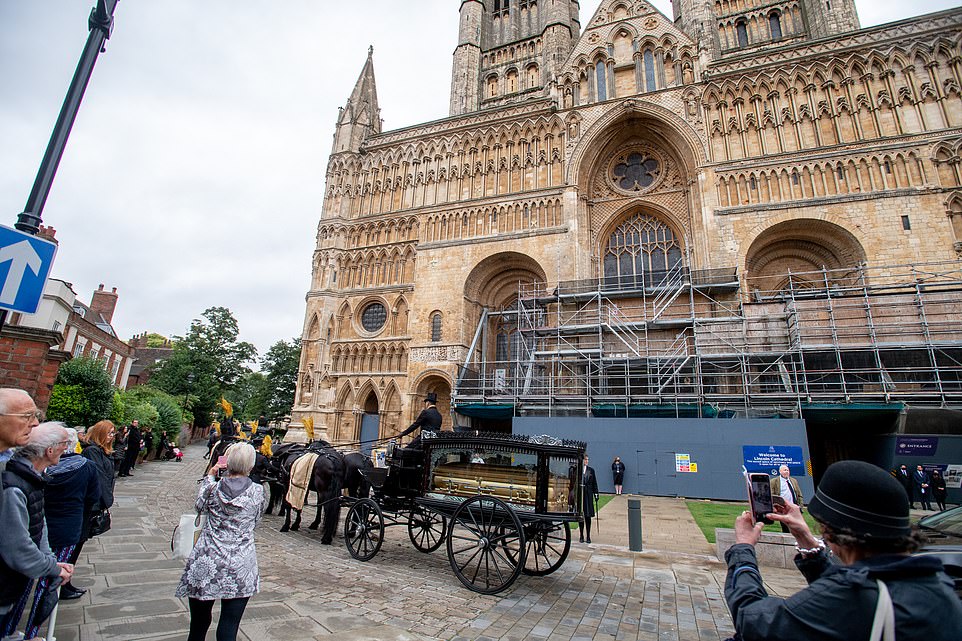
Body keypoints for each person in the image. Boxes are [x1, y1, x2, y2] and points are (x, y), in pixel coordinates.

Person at [724, 459, 962, 640]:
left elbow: (752, 619)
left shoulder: (850, 598)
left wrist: (743, 548)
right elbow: (854, 586)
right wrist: (807, 540)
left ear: (829, 531)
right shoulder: (938, 584)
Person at [176, 442, 264, 641]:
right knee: (229, 625)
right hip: (240, 565)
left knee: (198, 625)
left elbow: (199, 508)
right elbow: (255, 521)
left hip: (206, 561)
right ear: (250, 466)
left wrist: (211, 473)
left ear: (227, 463)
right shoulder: (258, 492)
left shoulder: (211, 489)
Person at [0, 423, 74, 639]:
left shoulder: (33, 479)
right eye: (65, 444)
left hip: (12, 582)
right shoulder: (14, 485)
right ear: (49, 451)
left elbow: (39, 525)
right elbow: (17, 547)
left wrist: (50, 561)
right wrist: (51, 567)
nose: (68, 448)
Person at [33, 426, 100, 609]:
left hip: (41, 523)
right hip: (69, 523)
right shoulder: (86, 466)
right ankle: (35, 625)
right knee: (56, 574)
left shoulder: (40, 468)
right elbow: (94, 497)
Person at [81, 421, 117, 533]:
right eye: (109, 433)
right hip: (92, 502)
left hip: (97, 501)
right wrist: (107, 500)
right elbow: (99, 476)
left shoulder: (102, 451)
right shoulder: (92, 451)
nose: (111, 437)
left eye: (112, 433)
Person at [768, 464, 804, 533]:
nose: (787, 472)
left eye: (788, 470)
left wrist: (800, 506)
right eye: (785, 470)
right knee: (786, 527)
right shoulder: (774, 481)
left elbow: (799, 495)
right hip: (783, 508)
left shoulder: (794, 481)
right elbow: (771, 495)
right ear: (780, 471)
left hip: (793, 507)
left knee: (796, 527)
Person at [580, 455, 599, 544]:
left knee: (588, 515)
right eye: (585, 459)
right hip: (581, 494)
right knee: (581, 515)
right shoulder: (578, 470)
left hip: (588, 494)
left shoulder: (591, 470)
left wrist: (596, 493)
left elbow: (594, 482)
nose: (586, 461)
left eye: (587, 459)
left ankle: (588, 535)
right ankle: (581, 535)